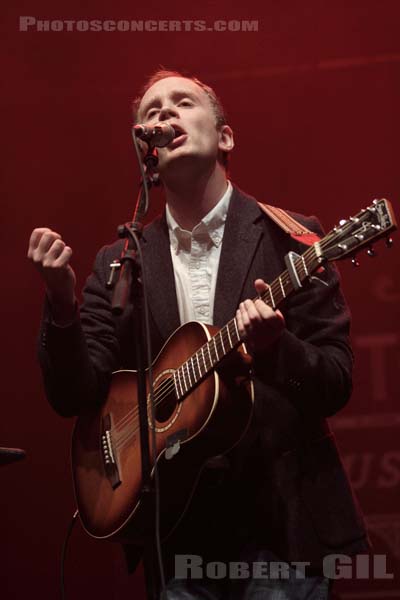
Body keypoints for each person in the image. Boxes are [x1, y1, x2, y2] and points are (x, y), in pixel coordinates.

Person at [28, 70, 369, 599]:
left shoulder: (292, 239)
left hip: (282, 528)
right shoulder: (121, 262)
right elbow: (76, 394)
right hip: (178, 533)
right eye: (150, 114)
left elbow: (337, 381)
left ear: (225, 137)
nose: (163, 116)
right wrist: (61, 302)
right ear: (146, 150)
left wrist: (278, 349)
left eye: (181, 103)